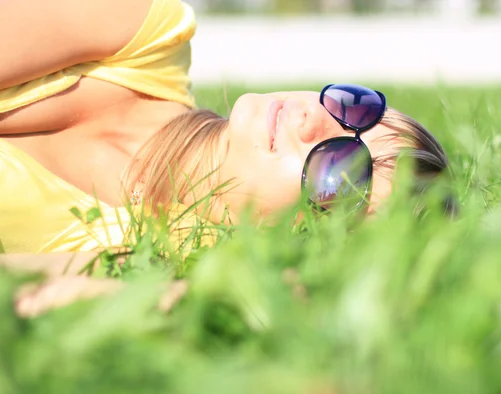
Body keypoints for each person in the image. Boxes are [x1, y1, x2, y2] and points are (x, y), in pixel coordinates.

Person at [0, 0, 450, 255]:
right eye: (355, 110)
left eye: (339, 173)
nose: (314, 117)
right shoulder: (151, 32)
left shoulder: (134, 255)